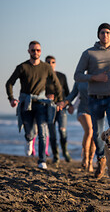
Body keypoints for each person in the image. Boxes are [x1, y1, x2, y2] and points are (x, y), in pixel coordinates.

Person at [74, 23, 110, 179]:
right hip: (94, 98)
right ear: (98, 35)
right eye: (102, 32)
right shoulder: (89, 54)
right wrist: (94, 77)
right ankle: (101, 158)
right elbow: (77, 75)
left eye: (108, 32)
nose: (105, 35)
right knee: (97, 133)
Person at [5, 41, 63, 169]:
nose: (35, 52)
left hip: (42, 104)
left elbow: (57, 83)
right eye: (33, 50)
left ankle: (42, 160)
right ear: (28, 51)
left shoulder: (46, 67)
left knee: (43, 132)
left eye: (37, 50)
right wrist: (11, 99)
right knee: (30, 132)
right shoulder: (22, 67)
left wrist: (59, 100)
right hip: (26, 103)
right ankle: (29, 140)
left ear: (40, 52)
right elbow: (9, 83)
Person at [62, 82, 96, 172]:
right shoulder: (81, 80)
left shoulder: (100, 77)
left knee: (95, 135)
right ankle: (85, 157)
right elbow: (73, 94)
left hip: (96, 111)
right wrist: (67, 104)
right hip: (83, 111)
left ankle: (91, 161)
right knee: (89, 131)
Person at [45, 55, 72, 164]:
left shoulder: (62, 76)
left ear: (55, 63)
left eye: (52, 62)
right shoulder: (43, 77)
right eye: (48, 62)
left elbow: (67, 92)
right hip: (49, 108)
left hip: (62, 108)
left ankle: (65, 152)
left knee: (62, 130)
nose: (50, 64)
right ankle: (56, 155)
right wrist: (46, 96)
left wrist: (70, 105)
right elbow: (39, 92)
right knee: (52, 134)